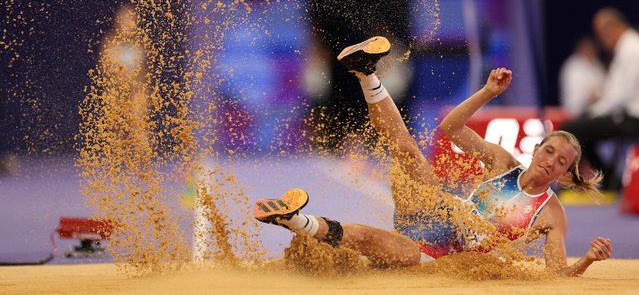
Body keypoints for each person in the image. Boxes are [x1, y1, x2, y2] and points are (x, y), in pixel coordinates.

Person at [253, 36, 612, 275]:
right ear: (536, 149)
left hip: (435, 257)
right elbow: (450, 130)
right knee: (410, 154)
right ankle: (366, 72)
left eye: (561, 161)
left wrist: (586, 262)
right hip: (433, 212)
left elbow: (555, 276)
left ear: (565, 173)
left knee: (375, 243)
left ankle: (294, 220)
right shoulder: (503, 163)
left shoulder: (551, 213)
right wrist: (487, 92)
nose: (551, 160)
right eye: (549, 150)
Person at [562, 7, 639, 189]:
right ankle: (609, 180)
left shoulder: (632, 49)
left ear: (612, 29)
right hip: (625, 114)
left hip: (632, 118)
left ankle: (606, 180)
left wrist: (593, 112)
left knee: (573, 129)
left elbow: (620, 96)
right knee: (578, 127)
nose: (602, 42)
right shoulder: (628, 48)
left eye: (601, 35)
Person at [559, 36, 606, 117]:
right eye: (588, 48)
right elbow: (575, 96)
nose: (591, 51)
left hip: (596, 110)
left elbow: (604, 86)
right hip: (576, 112)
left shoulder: (597, 64)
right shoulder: (572, 65)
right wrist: (591, 96)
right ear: (581, 49)